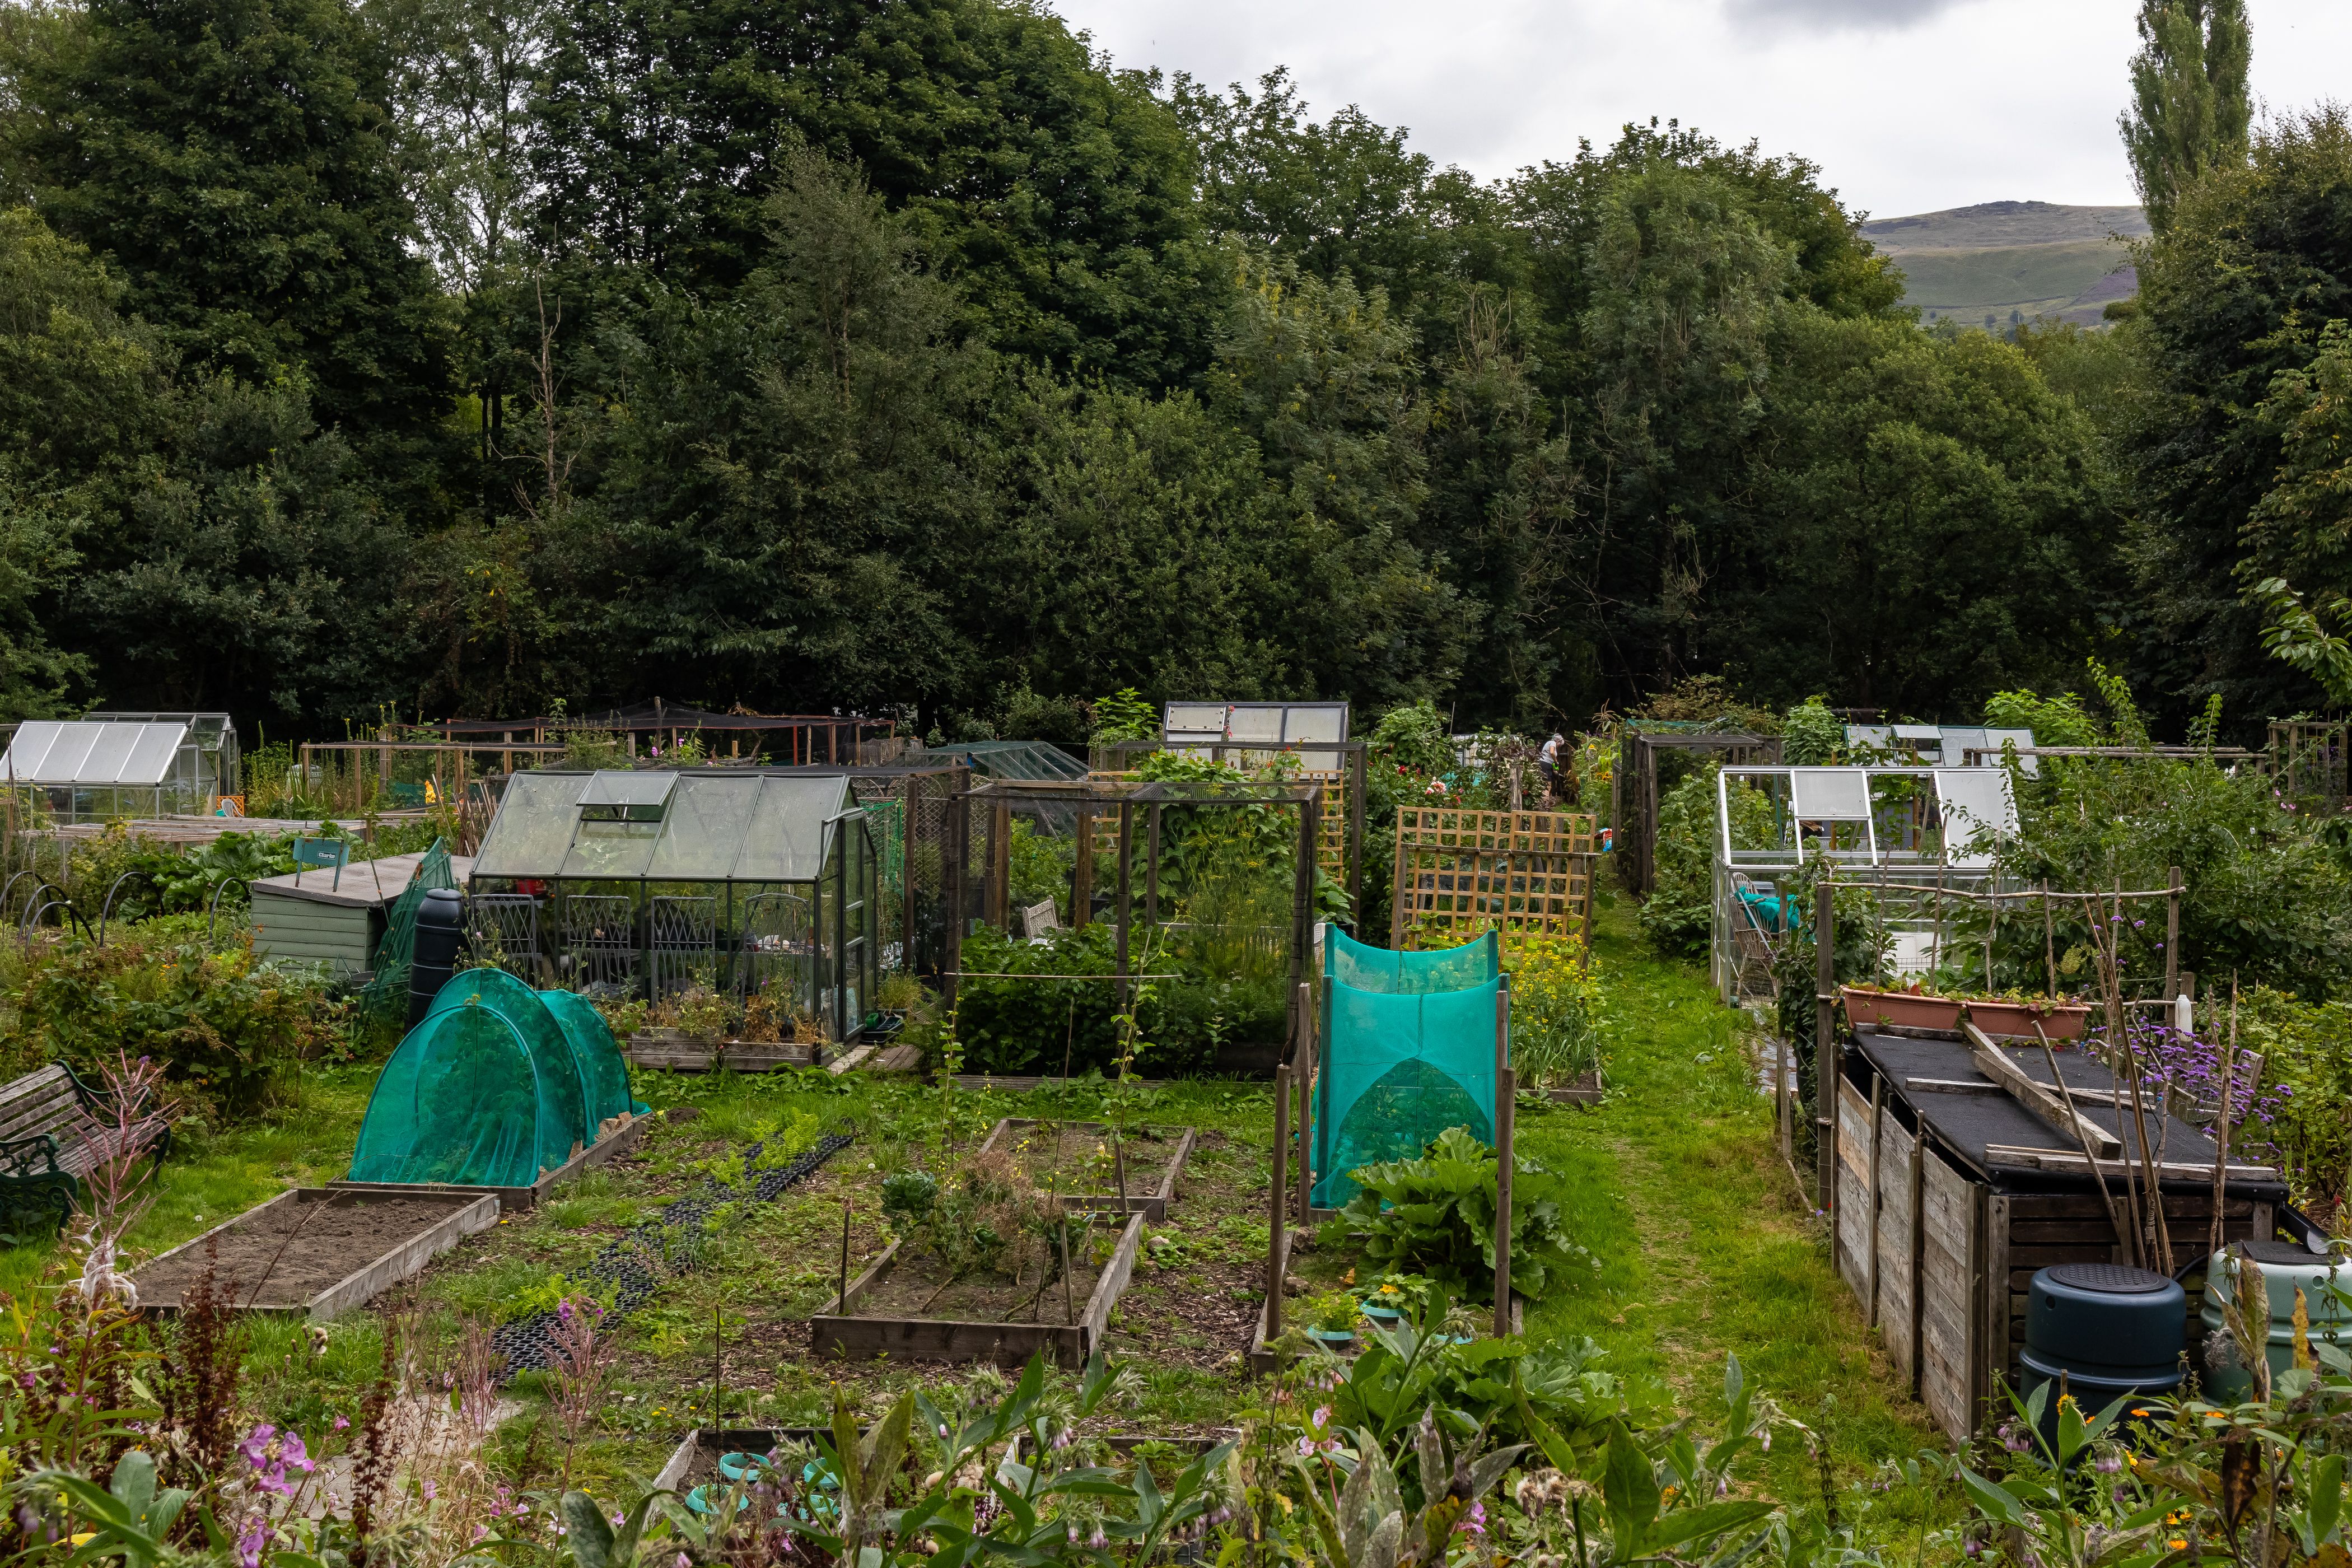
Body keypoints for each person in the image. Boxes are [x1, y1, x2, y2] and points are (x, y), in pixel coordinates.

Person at [1537, 732, 1564, 803]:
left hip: (1546, 764)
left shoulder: (1549, 743)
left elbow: (1553, 760)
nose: (1559, 746)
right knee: (1548, 783)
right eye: (1560, 744)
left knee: (1549, 781)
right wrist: (1556, 761)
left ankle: (1546, 799)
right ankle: (1545, 801)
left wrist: (1556, 769)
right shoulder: (1553, 743)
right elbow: (1552, 753)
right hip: (1546, 764)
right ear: (1558, 741)